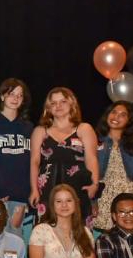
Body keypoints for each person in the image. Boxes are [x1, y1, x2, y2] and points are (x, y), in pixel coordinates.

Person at [29, 87, 99, 223]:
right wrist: (34, 190)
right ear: (48, 108)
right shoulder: (40, 131)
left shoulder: (84, 128)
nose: (58, 106)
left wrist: (95, 184)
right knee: (46, 232)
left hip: (78, 187)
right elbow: (34, 161)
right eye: (53, 103)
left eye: (63, 102)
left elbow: (91, 158)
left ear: (72, 104)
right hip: (47, 189)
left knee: (79, 233)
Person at [0, 78, 32, 238]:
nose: (15, 98)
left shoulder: (28, 127)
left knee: (15, 237)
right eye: (11, 94)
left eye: (20, 95)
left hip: (20, 195)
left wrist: (26, 192)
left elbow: (31, 163)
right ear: (2, 96)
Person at [93, 101, 133, 231]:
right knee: (107, 236)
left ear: (129, 120)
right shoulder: (95, 139)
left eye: (122, 115)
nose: (116, 117)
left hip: (131, 192)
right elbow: (90, 171)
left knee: (132, 235)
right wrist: (92, 201)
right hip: (105, 194)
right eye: (114, 112)